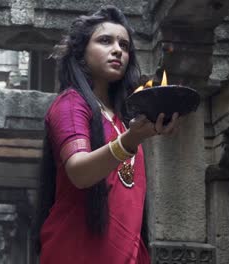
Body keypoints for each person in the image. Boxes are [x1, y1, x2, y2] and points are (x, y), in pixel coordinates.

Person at [35, 6, 180, 264]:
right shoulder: (70, 104)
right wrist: (131, 140)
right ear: (80, 53)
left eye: (124, 46)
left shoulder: (123, 119)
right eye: (105, 41)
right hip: (76, 254)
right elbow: (80, 172)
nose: (118, 51)